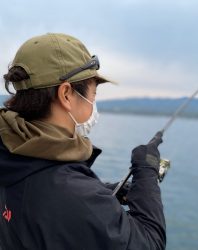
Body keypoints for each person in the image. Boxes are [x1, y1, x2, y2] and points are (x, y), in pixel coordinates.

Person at [0, 33, 166, 250]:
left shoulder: (10, 153)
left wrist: (103, 194)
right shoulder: (72, 193)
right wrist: (146, 172)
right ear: (66, 94)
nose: (93, 104)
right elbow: (149, 244)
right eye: (93, 95)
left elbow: (43, 197)